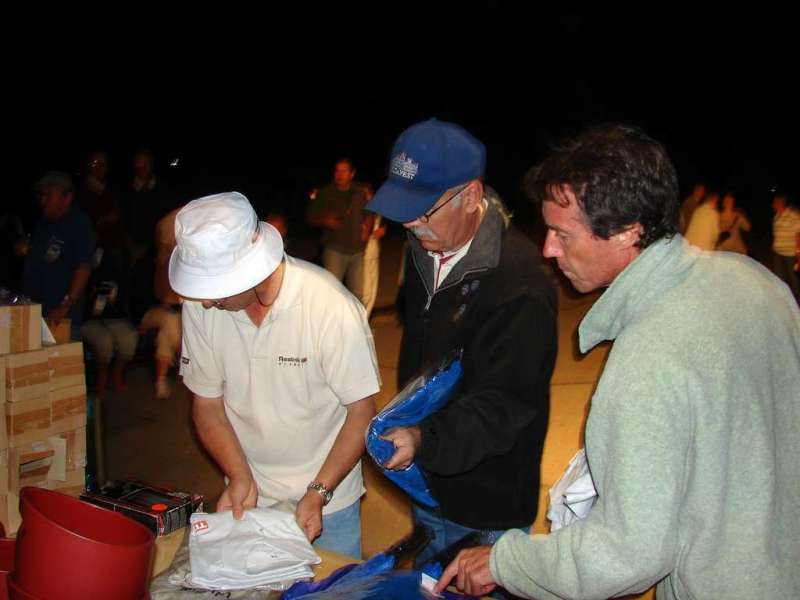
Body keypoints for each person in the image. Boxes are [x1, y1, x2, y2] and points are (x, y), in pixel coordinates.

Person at [437, 124, 800, 599]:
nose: (547, 249)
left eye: (562, 235)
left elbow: (628, 554)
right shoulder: (753, 280)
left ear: (629, 232)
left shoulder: (645, 359)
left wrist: (505, 562)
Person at [365, 119, 558, 565]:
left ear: (471, 195)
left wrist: (423, 437)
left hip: (486, 501)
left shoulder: (520, 285)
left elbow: (502, 405)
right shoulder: (424, 247)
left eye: (424, 210)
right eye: (402, 210)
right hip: (428, 480)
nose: (411, 224)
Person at [170, 192, 380, 558]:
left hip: (328, 498)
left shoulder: (330, 307)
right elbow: (207, 406)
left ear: (252, 269)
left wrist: (318, 493)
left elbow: (361, 413)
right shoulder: (202, 307)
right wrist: (238, 474)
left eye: (213, 289)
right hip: (250, 495)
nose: (204, 301)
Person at [22, 171, 96, 339]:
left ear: (67, 197)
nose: (43, 200)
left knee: (60, 363)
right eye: (42, 195)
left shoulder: (79, 224)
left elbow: (84, 268)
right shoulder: (44, 223)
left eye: (49, 195)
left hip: (61, 317)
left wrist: (65, 307)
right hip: (35, 311)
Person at [307, 158, 374, 301]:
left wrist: (367, 230)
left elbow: (369, 213)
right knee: (333, 293)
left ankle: (353, 323)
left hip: (357, 251)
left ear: (352, 174)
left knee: (357, 295)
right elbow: (311, 218)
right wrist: (324, 221)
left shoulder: (360, 192)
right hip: (334, 251)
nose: (339, 174)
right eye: (337, 171)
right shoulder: (325, 193)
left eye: (344, 171)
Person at [771, 191, 800, 301]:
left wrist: (798, 253)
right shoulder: (776, 217)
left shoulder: (794, 214)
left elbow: (798, 234)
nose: (773, 205)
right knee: (779, 277)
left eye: (774, 203)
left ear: (780, 203)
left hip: (790, 254)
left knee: (793, 279)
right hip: (777, 253)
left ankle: (796, 300)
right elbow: (776, 233)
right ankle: (782, 300)